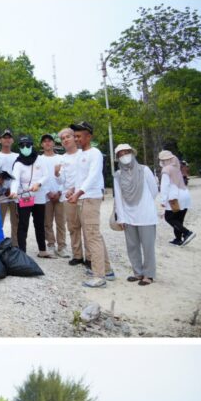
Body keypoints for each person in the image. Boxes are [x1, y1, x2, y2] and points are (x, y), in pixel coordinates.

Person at [68, 121, 113, 288]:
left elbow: (93, 176)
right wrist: (72, 190)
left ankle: (99, 276)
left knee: (92, 235)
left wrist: (79, 193)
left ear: (89, 136)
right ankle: (107, 270)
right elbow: (80, 178)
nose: (76, 139)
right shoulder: (80, 155)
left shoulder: (95, 153)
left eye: (79, 136)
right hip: (82, 198)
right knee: (94, 234)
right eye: (75, 136)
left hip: (91, 198)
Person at [113, 144, 160, 286]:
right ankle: (138, 272)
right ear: (118, 158)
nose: (124, 156)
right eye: (120, 154)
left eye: (126, 152)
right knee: (132, 246)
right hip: (128, 216)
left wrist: (143, 203)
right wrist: (121, 217)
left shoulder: (144, 170)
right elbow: (119, 198)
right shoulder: (118, 175)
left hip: (146, 214)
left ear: (133, 153)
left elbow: (154, 190)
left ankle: (149, 274)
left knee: (148, 246)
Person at [10, 135, 53, 258]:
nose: (25, 148)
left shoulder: (40, 160)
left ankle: (42, 250)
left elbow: (46, 175)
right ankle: (22, 252)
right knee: (23, 224)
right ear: (19, 147)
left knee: (39, 223)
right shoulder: (18, 163)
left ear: (32, 146)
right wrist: (13, 191)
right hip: (24, 196)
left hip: (39, 196)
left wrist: (38, 183)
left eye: (28, 145)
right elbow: (15, 179)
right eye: (22, 146)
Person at [56, 127, 87, 266]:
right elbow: (62, 181)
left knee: (87, 228)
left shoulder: (83, 154)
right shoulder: (62, 158)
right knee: (73, 227)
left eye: (67, 136)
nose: (65, 140)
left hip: (84, 195)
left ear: (75, 137)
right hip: (68, 197)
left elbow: (88, 175)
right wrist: (56, 174)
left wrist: (76, 189)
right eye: (62, 139)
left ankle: (91, 257)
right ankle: (77, 255)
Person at [38, 133, 69, 258]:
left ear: (54, 143)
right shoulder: (39, 159)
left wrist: (60, 191)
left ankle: (62, 247)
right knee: (47, 222)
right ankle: (51, 244)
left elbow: (65, 177)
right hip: (46, 196)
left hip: (60, 195)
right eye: (44, 141)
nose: (47, 143)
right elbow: (39, 177)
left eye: (50, 141)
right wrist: (47, 192)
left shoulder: (61, 158)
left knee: (61, 222)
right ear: (41, 144)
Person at [158, 150, 195, 246]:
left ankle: (187, 233)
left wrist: (163, 201)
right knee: (179, 218)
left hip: (175, 197)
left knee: (169, 217)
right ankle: (178, 239)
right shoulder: (177, 168)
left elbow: (164, 187)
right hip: (185, 195)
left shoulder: (166, 170)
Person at [0, 129, 19, 244]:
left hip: (15, 193)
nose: (7, 139)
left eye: (9, 137)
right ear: (0, 140)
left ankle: (15, 244)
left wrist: (13, 189)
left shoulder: (18, 156)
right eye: (4, 137)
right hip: (1, 194)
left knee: (16, 221)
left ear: (12, 140)